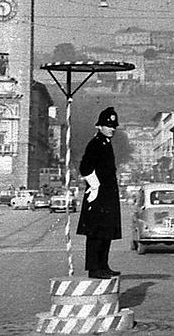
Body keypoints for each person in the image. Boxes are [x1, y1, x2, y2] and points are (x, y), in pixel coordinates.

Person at [76, 107, 123, 279]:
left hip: (107, 194)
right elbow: (85, 167)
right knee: (96, 232)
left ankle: (103, 265)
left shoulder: (106, 144)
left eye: (113, 127)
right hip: (97, 194)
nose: (112, 129)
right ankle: (94, 268)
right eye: (108, 125)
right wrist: (95, 187)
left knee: (106, 231)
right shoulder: (95, 143)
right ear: (99, 126)